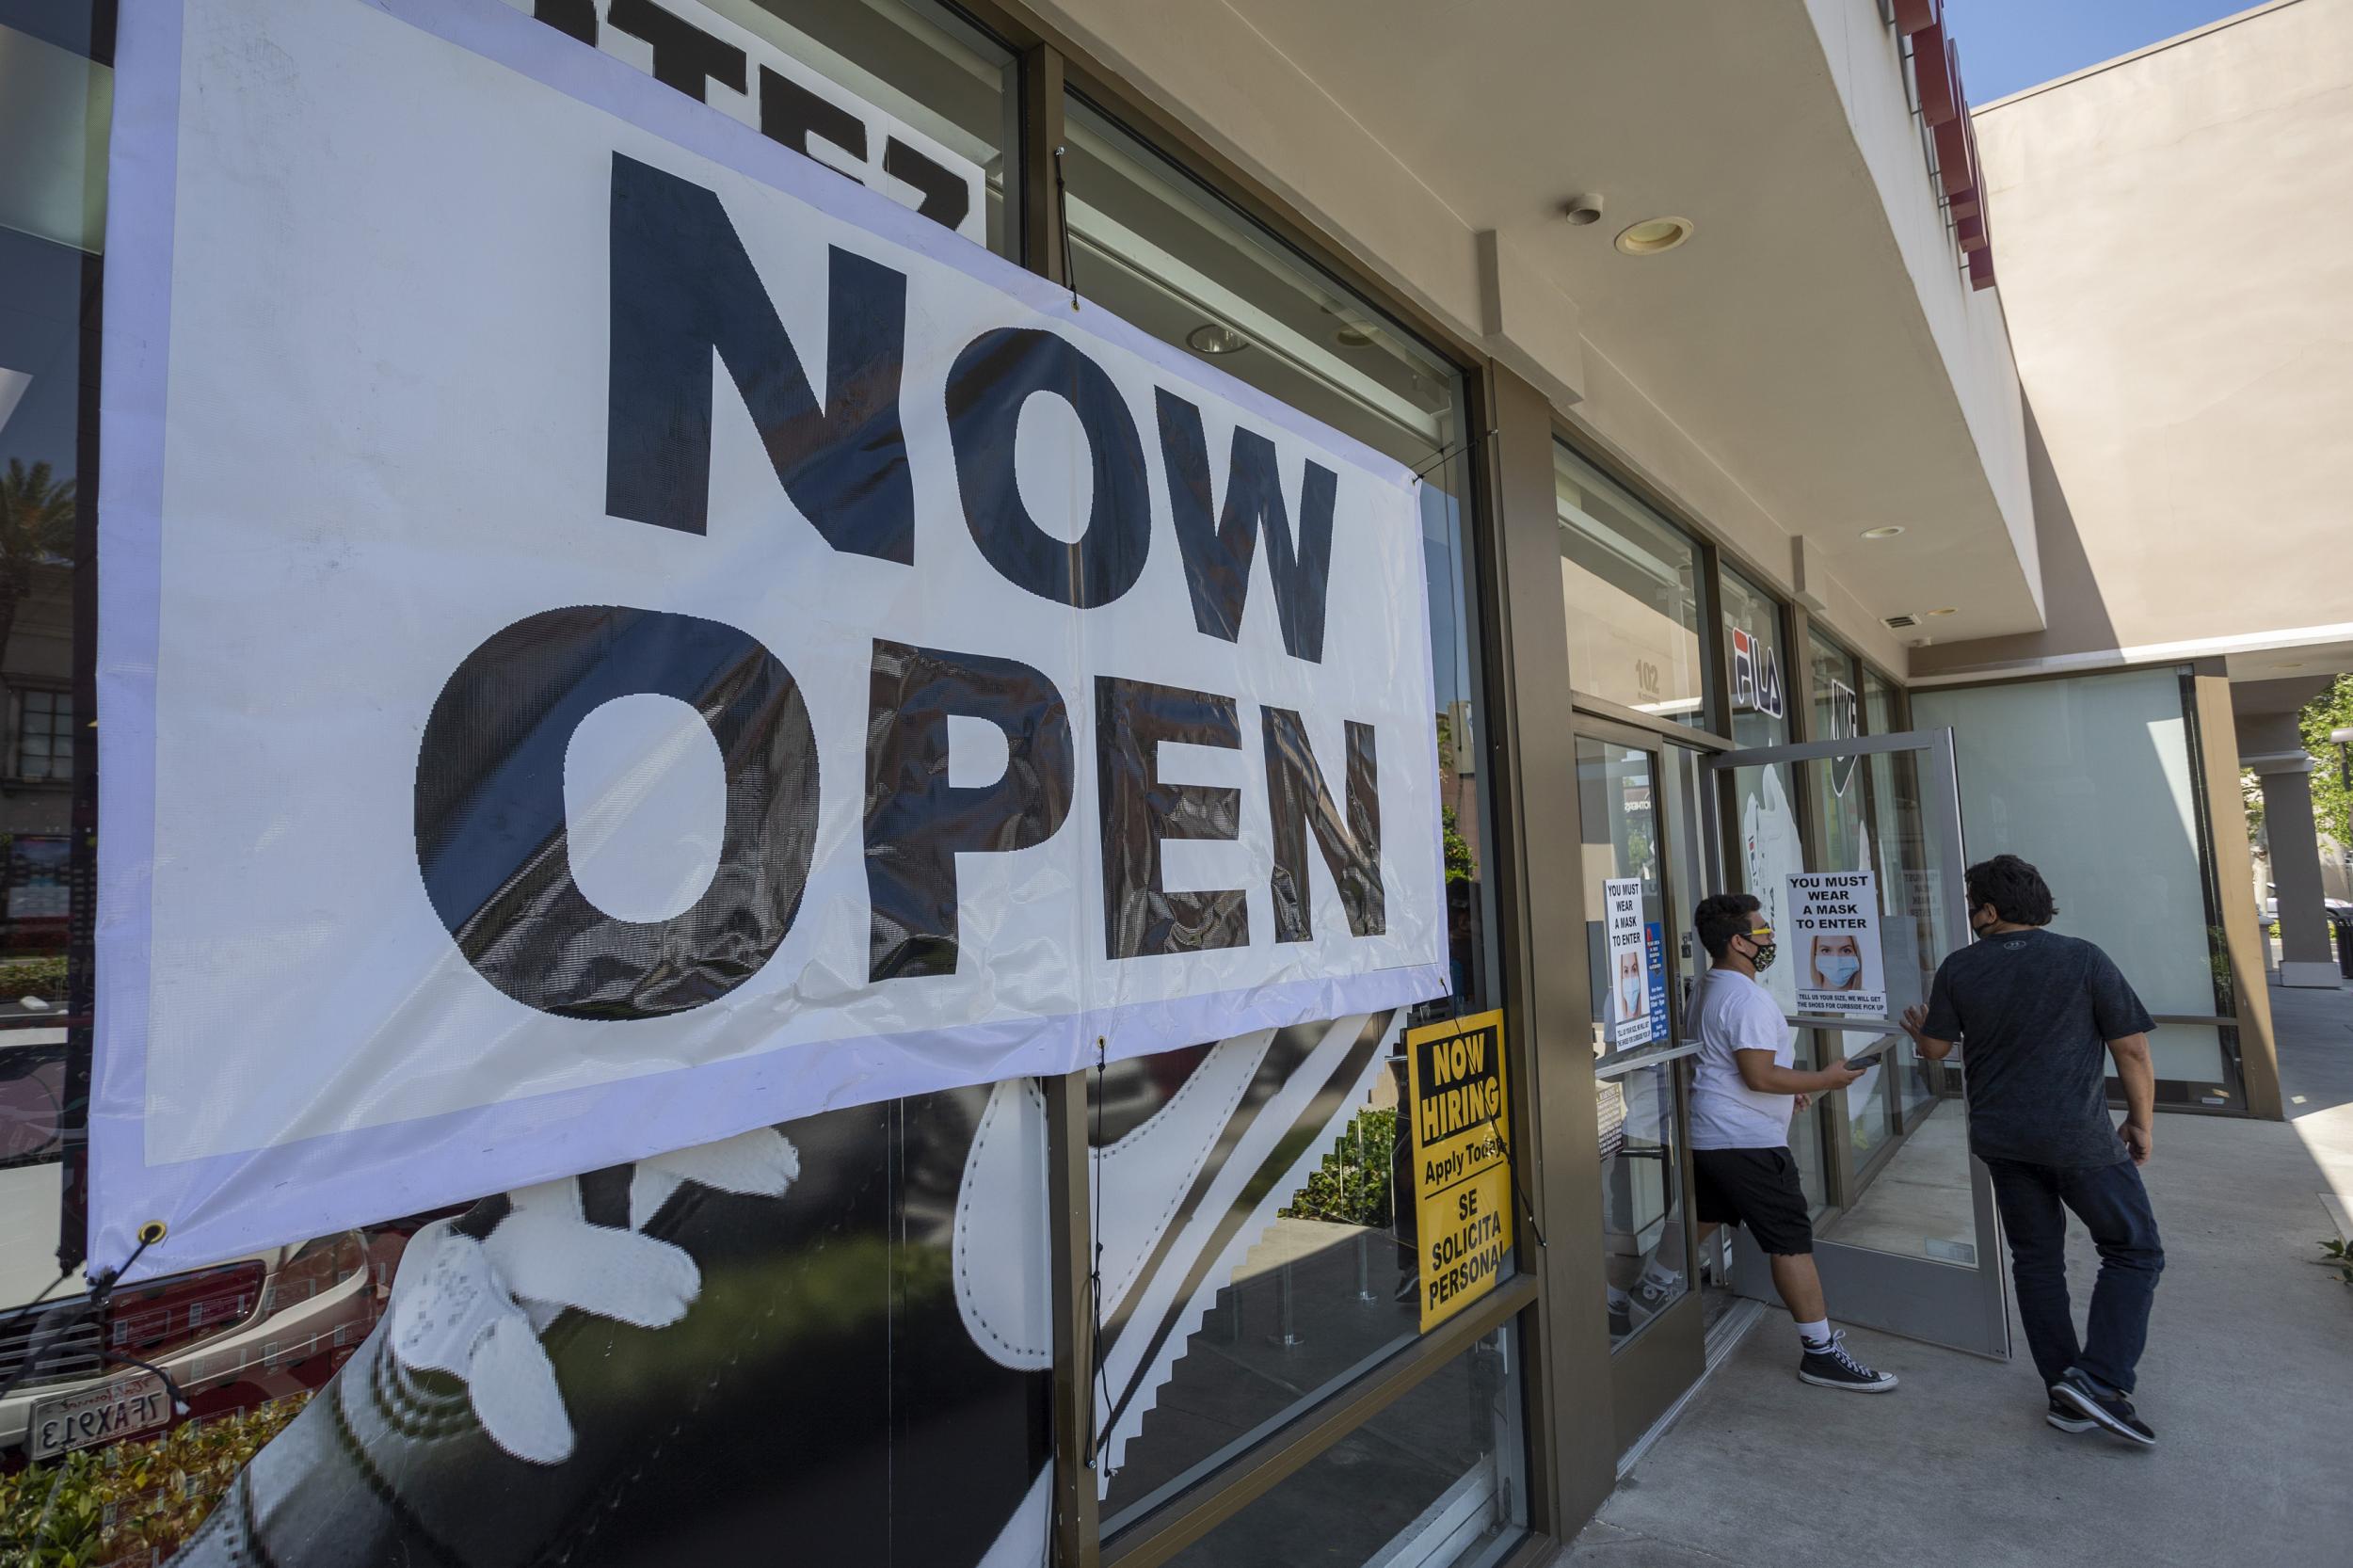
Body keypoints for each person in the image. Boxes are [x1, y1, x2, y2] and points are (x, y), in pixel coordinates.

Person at [1900, 855, 2164, 1448]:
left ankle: (2064, 1392)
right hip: (2077, 1138)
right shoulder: (2082, 957)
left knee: (2037, 1260)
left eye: (1973, 904)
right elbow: (2132, 1050)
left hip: (2000, 1138)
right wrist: (2140, 1121)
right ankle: (2098, 1381)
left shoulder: (1960, 968)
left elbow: (1938, 1049)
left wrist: (1922, 1035)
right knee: (2134, 1249)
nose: (1971, 914)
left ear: (1989, 910)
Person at [1688, 892, 1896, 1392]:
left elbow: (1733, 1068)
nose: (1771, 938)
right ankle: (1820, 1353)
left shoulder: (1709, 986)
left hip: (1714, 1133)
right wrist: (1822, 1079)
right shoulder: (1747, 998)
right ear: (1738, 942)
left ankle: (1642, 1295)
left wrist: (1794, 1090)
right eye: (1762, 931)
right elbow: (1757, 1075)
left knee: (1701, 1218)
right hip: (1746, 1142)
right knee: (1791, 1243)